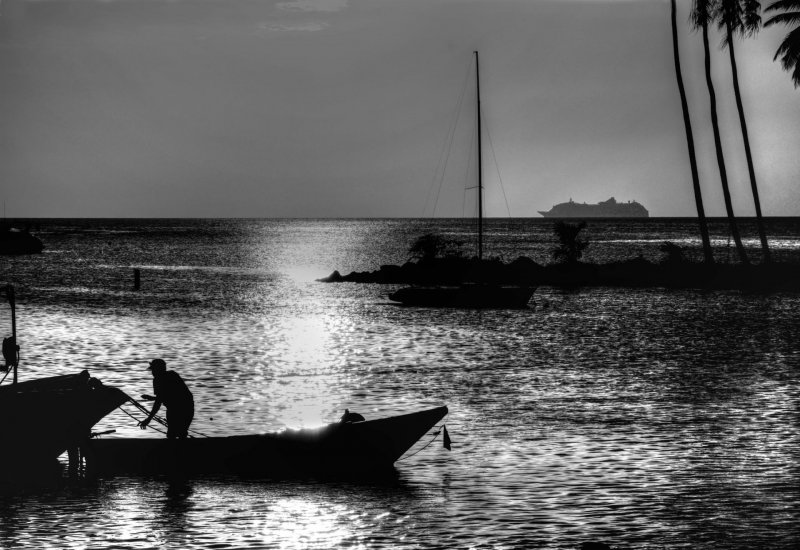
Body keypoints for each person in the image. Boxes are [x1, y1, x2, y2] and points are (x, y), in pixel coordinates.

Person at [139, 358, 194, 439]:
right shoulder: (173, 375)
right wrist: (154, 398)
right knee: (181, 433)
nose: (152, 372)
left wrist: (148, 419)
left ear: (158, 369)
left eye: (153, 370)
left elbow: (159, 401)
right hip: (188, 408)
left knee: (172, 434)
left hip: (177, 409)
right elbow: (172, 395)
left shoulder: (158, 380)